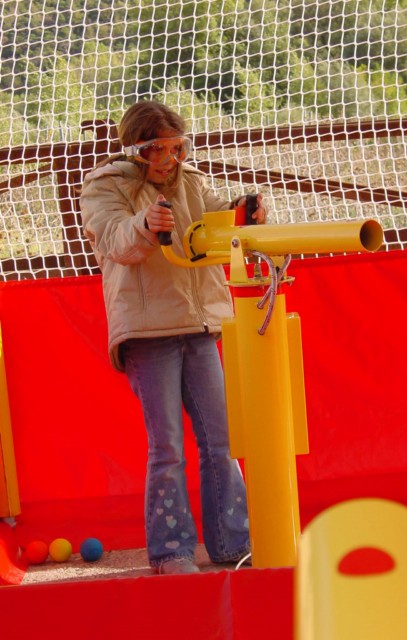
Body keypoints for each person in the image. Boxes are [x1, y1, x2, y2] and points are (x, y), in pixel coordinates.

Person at [80, 100, 267, 575]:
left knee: (220, 440)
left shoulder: (192, 182)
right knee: (167, 446)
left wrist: (245, 213)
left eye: (177, 148)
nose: (169, 159)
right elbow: (112, 239)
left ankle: (234, 542)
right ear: (134, 149)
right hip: (148, 330)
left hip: (199, 325)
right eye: (157, 150)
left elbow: (218, 223)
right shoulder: (106, 185)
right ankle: (171, 552)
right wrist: (144, 226)